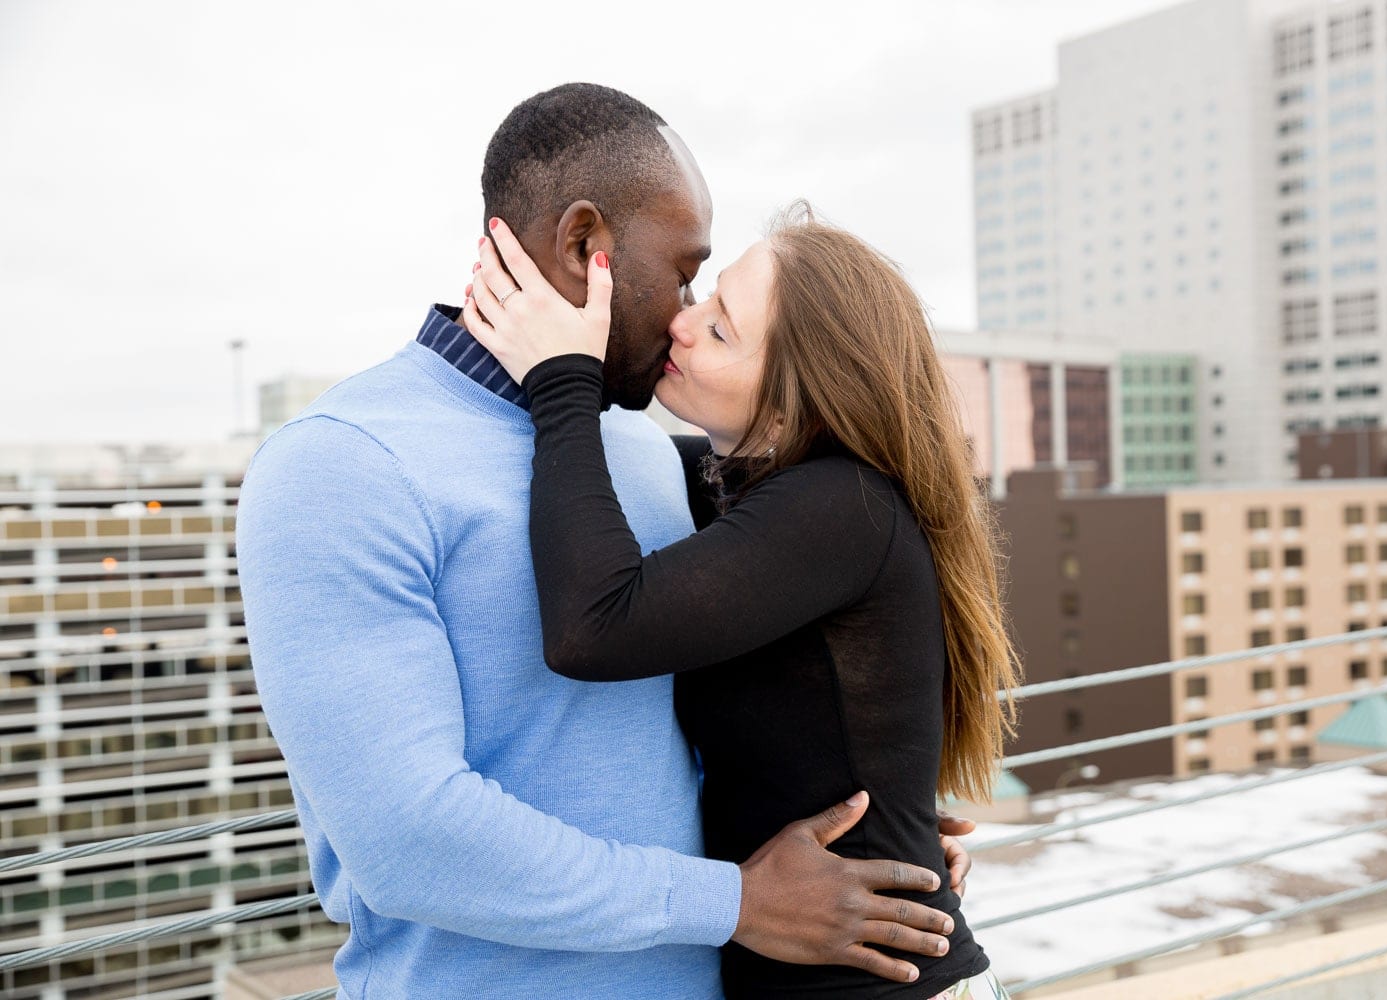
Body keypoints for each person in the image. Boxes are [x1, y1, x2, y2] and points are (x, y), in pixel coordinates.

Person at [237, 83, 974, 1000]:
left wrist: (867, 819)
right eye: (684, 273)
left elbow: (709, 707)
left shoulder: (635, 446)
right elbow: (409, 842)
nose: (684, 312)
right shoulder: (342, 466)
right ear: (587, 246)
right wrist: (734, 902)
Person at [460, 204, 1022, 999]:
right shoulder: (751, 492)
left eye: (721, 330)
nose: (682, 326)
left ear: (796, 406)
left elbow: (593, 627)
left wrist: (562, 382)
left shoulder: (838, 506)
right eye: (704, 300)